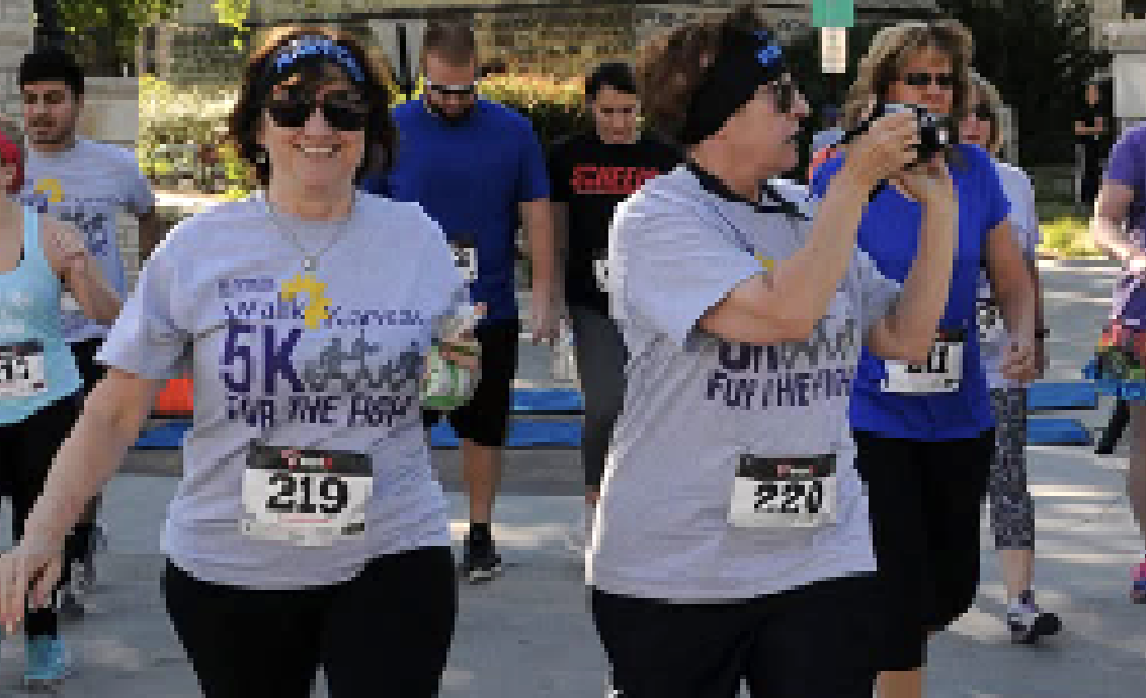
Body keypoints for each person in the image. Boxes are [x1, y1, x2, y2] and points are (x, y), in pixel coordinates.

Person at [0, 28, 473, 696]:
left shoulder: (416, 240)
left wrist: (457, 375)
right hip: (233, 566)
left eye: (342, 107)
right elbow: (114, 410)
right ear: (255, 126)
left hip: (391, 550)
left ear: (368, 127)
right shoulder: (198, 250)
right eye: (291, 105)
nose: (318, 125)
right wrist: (42, 534)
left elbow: (449, 382)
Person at [588, 6, 960, 696]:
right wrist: (853, 182)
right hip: (680, 565)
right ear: (720, 113)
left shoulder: (804, 212)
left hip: (821, 553)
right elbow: (786, 314)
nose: (800, 110)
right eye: (778, 95)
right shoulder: (655, 218)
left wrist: (940, 208)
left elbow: (904, 339)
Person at [812, 21, 1039, 698]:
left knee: (950, 591)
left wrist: (1024, 331)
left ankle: (878, 658)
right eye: (918, 79)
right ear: (883, 88)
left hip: (960, 411)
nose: (934, 92)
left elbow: (1010, 272)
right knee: (899, 589)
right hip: (871, 412)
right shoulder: (845, 172)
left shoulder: (974, 173)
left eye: (945, 80)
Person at [362, 20, 557, 584]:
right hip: (407, 313)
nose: (452, 101)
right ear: (422, 76)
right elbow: (364, 217)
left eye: (464, 89)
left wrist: (543, 291)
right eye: (440, 90)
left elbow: (537, 212)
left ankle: (478, 532)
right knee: (405, 425)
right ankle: (409, 530)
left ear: (479, 75)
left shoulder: (512, 133)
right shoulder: (391, 131)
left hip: (486, 308)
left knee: (483, 428)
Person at [19, 47, 164, 609]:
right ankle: (38, 550)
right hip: (28, 335)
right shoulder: (11, 168)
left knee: (88, 445)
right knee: (31, 452)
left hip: (95, 333)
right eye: (31, 100)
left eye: (53, 99)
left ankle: (77, 550)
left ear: (78, 103)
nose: (41, 112)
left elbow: (149, 214)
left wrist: (152, 284)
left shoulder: (114, 167)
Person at [0, 115, 121, 689]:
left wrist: (78, 269)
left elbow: (107, 313)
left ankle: (43, 643)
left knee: (39, 527)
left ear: (7, 172)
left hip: (43, 404)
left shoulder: (49, 235)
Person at [546, 62, 678, 550]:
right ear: (590, 108)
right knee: (604, 404)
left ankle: (644, 509)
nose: (619, 123)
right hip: (591, 302)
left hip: (652, 305)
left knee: (653, 408)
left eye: (628, 111)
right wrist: (553, 297)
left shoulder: (663, 157)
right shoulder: (567, 157)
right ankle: (594, 508)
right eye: (608, 112)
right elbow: (555, 231)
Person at [958, 70, 1061, 643]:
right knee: (937, 484)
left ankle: (1020, 601)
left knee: (1009, 476)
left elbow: (1025, 269)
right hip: (926, 370)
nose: (973, 126)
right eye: (963, 114)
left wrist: (1035, 336)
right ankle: (920, 595)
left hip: (1000, 359)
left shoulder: (1013, 183)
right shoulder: (914, 182)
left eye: (984, 117)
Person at [1085, 105, 1146, 605]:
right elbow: (1104, 220)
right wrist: (1131, 254)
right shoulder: (1138, 143)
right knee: (1145, 442)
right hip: (1141, 316)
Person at [1075, 79, 1108, 212]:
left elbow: (1102, 128)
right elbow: (1078, 130)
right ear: (1087, 94)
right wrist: (1094, 129)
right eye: (1091, 91)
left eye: (1095, 92)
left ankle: (1096, 198)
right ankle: (1084, 199)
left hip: (1097, 145)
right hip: (1084, 145)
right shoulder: (1081, 109)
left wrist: (1091, 129)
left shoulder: (1100, 109)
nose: (1093, 94)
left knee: (1096, 171)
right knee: (1085, 171)